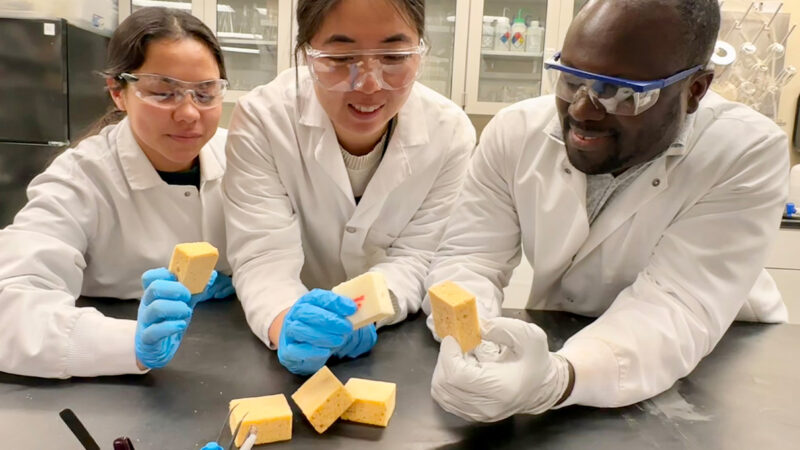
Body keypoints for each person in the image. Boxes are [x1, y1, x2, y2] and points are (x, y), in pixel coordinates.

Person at [425, 0, 789, 422]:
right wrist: (470, 339)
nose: (582, 110)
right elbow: (470, 258)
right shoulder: (515, 131)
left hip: (716, 358)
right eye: (571, 79)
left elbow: (677, 306)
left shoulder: (744, 151)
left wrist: (557, 380)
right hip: (565, 342)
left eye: (622, 93)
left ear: (695, 91)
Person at [223, 0, 476, 375]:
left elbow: (419, 255)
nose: (369, 84)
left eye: (394, 56)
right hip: (283, 335)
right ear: (306, 55)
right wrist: (287, 322)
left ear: (420, 52)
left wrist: (363, 312)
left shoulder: (450, 133)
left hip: (388, 343)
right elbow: (263, 255)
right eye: (341, 58)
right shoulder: (263, 120)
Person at [0, 7, 234, 378]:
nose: (189, 114)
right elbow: (10, 305)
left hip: (232, 359)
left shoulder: (241, 157)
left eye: (205, 95)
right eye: (163, 93)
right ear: (118, 92)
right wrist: (129, 343)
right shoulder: (81, 177)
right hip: (112, 381)